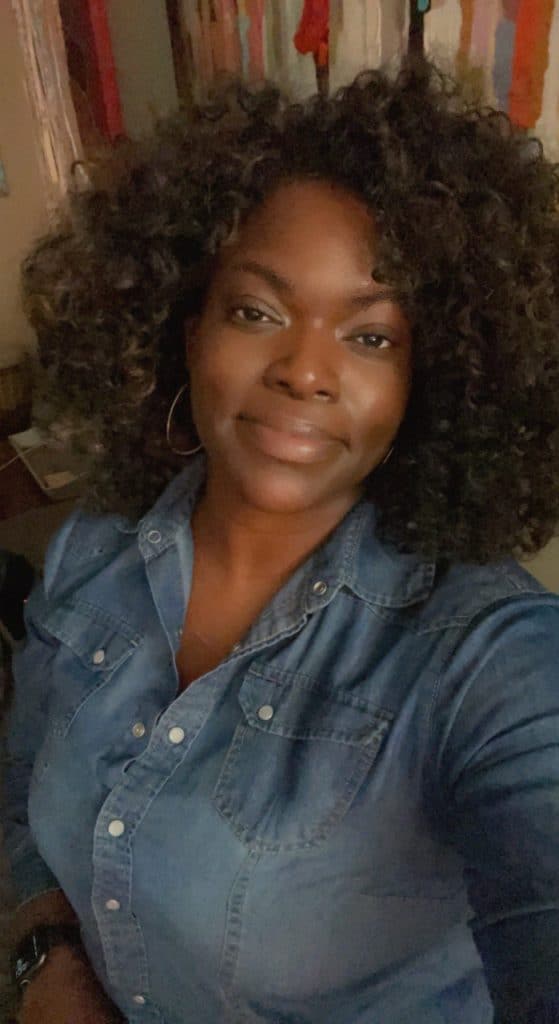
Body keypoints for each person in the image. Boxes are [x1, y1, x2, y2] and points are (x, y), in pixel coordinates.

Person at [3, 58, 559, 1024]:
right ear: (188, 331)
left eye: (371, 336)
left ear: (429, 380)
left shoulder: (487, 658)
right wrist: (44, 953)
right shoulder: (95, 547)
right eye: (256, 312)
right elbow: (23, 780)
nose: (304, 370)